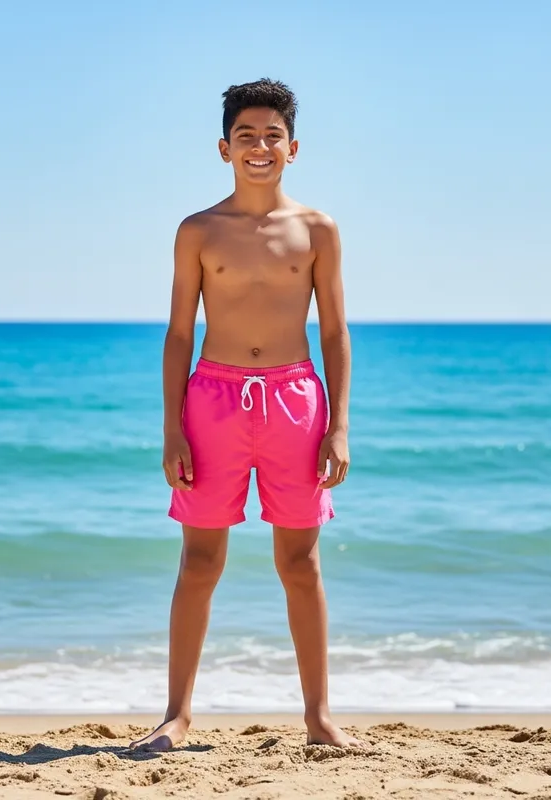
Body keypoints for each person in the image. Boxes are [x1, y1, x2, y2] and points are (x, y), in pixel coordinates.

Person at [130, 78, 357, 751]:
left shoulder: (317, 229)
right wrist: (171, 425)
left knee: (302, 563)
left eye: (272, 135)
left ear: (294, 148)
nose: (260, 147)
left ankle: (318, 719)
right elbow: (178, 333)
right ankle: (177, 714)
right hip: (214, 400)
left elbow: (336, 332)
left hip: (294, 398)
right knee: (199, 560)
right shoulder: (198, 231)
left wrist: (339, 425)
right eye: (247, 136)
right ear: (224, 148)